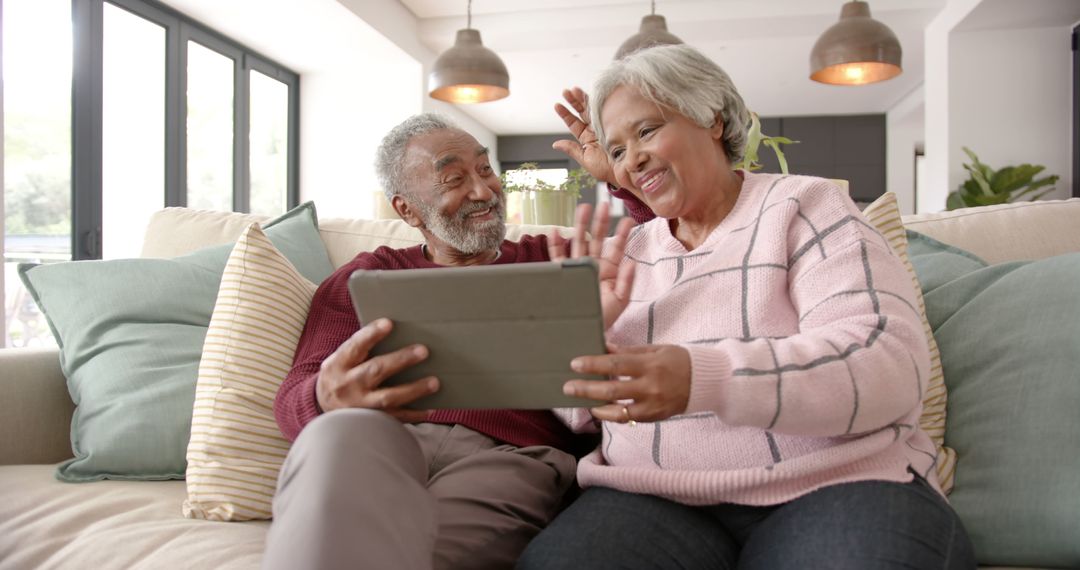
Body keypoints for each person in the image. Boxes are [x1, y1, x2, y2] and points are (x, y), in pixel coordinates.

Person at [518, 44, 976, 569]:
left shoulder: (807, 206)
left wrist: (702, 378)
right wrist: (582, 335)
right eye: (617, 151)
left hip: (836, 480)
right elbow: (577, 412)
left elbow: (886, 364)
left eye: (646, 131)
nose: (633, 159)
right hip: (651, 496)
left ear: (711, 117)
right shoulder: (627, 253)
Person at [264, 113, 633, 570]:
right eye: (454, 179)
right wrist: (325, 396)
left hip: (511, 458)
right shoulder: (367, 276)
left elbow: (674, 243)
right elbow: (294, 393)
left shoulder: (555, 258)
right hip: (378, 442)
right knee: (337, 433)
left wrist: (621, 177)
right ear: (407, 209)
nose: (483, 191)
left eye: (484, 170)